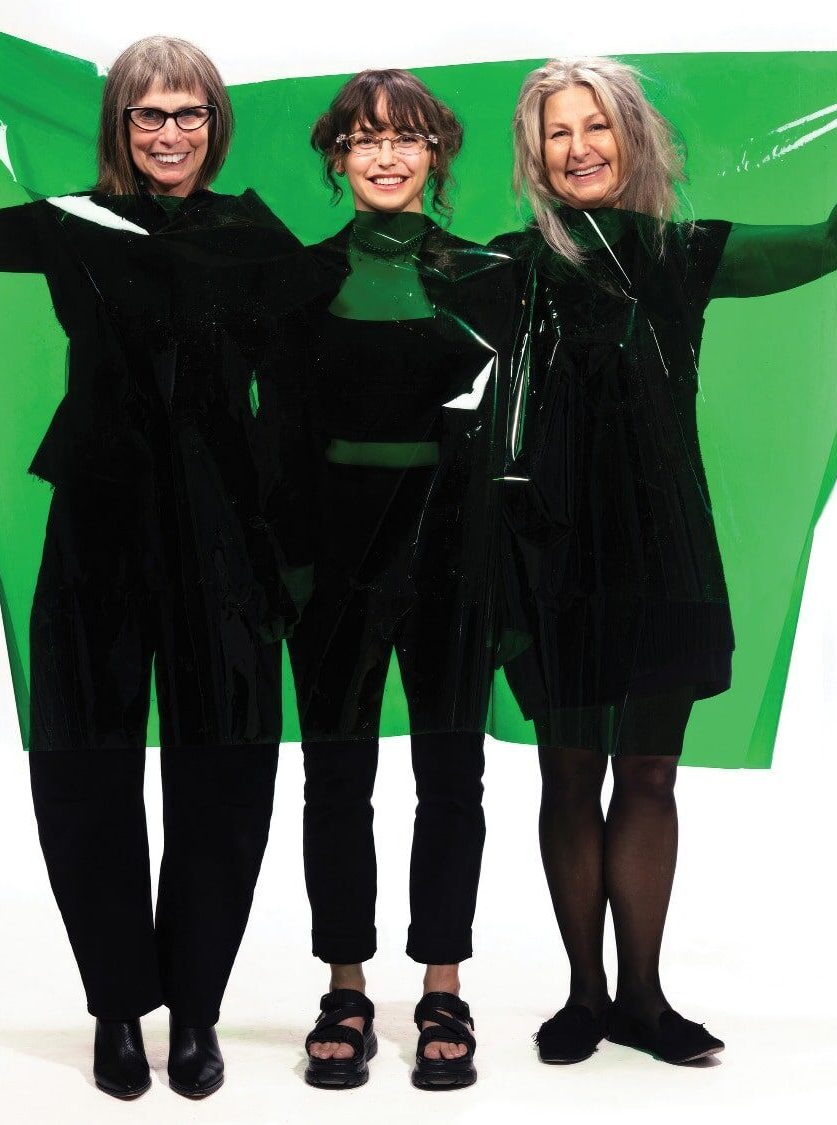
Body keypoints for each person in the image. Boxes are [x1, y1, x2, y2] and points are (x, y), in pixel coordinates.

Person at [495, 50, 837, 1066]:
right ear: (534, 153)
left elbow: (834, 241)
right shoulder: (510, 267)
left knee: (647, 773)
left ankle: (641, 1002)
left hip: (659, 547)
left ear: (632, 137)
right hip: (551, 555)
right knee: (567, 776)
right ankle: (581, 994)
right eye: (557, 131)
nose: (578, 147)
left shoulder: (682, 253)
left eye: (595, 125)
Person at [0, 22, 310, 1101]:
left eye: (188, 113)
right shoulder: (75, 224)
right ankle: (116, 1011)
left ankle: (194, 1012)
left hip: (225, 535)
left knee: (223, 772)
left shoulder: (255, 236)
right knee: (84, 766)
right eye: (148, 113)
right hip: (98, 521)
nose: (169, 132)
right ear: (120, 127)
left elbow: (305, 392)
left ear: (213, 124)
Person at [261, 69, 515, 1092]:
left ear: (436, 154)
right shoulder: (296, 281)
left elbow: (509, 432)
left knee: (454, 777)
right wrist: (285, 565)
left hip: (455, 553)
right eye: (363, 137)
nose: (384, 153)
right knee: (336, 779)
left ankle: (442, 987)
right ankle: (346, 988)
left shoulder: (489, 274)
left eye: (405, 137)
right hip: (331, 558)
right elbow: (274, 434)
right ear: (334, 155)